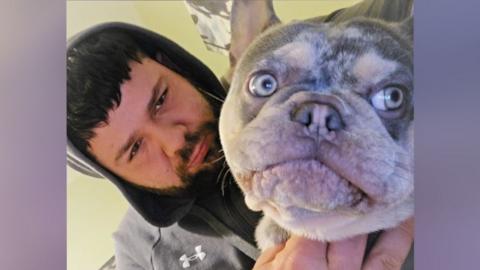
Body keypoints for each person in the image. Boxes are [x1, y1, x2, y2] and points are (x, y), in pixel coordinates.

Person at [67, 0, 413, 269]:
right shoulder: (141, 253)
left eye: (161, 100)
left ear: (178, 68)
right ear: (118, 177)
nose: (174, 140)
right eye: (136, 148)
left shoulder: (290, 53)